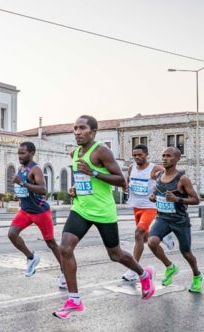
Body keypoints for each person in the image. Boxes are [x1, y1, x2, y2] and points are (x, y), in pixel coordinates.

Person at [54, 115, 155, 320]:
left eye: (82, 128)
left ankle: (143, 274)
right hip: (81, 208)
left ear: (93, 131)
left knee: (115, 254)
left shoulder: (102, 151)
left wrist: (93, 173)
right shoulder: (74, 153)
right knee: (64, 248)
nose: (77, 132)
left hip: (103, 211)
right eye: (75, 128)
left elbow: (120, 180)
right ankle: (74, 300)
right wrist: (76, 189)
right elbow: (82, 178)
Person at [8, 141, 66, 288]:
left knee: (51, 243)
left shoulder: (36, 169)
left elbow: (42, 189)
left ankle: (65, 271)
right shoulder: (21, 168)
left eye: (23, 153)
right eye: (18, 153)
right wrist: (20, 195)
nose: (20, 156)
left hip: (40, 212)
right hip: (25, 211)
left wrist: (22, 184)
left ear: (32, 153)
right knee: (12, 234)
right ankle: (31, 257)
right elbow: (25, 188)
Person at [147, 147, 204, 292]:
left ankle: (197, 275)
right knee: (152, 242)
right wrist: (153, 196)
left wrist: (177, 198)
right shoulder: (159, 175)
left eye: (169, 156)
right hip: (163, 218)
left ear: (177, 159)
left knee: (186, 252)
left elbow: (196, 200)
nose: (165, 158)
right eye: (163, 155)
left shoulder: (182, 179)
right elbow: (158, 190)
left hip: (180, 221)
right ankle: (170, 266)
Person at [122, 144, 174, 281]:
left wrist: (159, 179)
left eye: (140, 155)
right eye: (135, 155)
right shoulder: (131, 167)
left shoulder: (154, 168)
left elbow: (169, 176)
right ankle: (162, 240)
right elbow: (129, 181)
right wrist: (126, 187)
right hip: (136, 206)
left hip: (150, 207)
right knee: (145, 238)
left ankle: (133, 270)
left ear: (146, 155)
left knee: (138, 234)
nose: (137, 157)